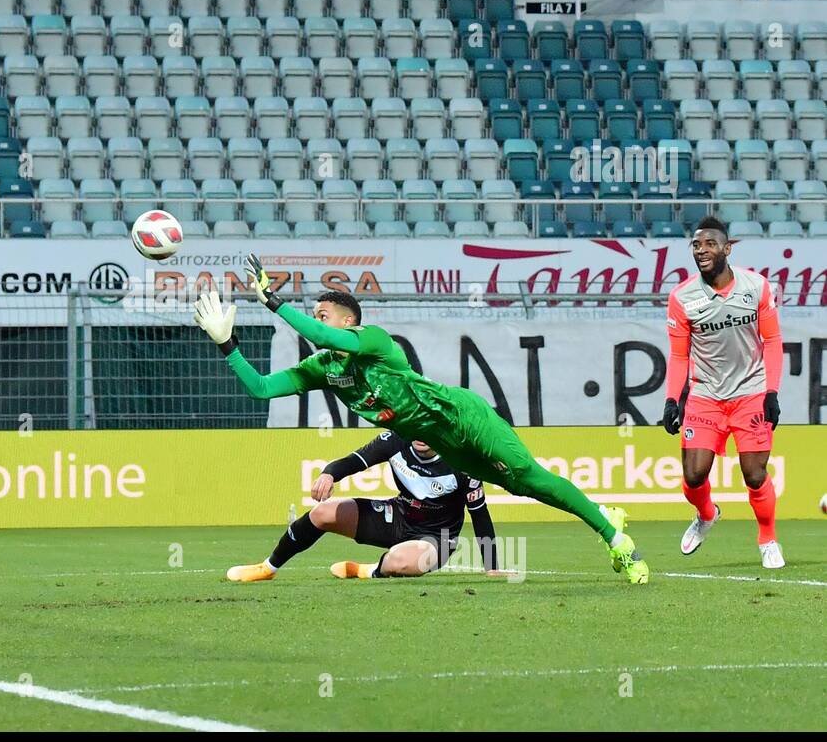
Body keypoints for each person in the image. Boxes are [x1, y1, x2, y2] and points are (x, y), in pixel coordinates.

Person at [193, 257, 649, 583]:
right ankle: (272, 568)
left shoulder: (372, 340)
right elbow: (261, 388)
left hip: (463, 415)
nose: (318, 321)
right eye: (315, 315)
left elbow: (316, 333)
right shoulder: (323, 370)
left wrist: (275, 303)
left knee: (527, 478)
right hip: (444, 442)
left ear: (349, 321)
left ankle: (614, 538)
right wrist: (226, 344)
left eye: (325, 313)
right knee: (518, 485)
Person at [662, 216, 784, 568]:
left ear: (727, 249)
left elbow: (772, 340)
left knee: (755, 474)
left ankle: (768, 539)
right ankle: (707, 514)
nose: (702, 251)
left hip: (751, 392)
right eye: (696, 245)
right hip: (705, 396)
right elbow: (679, 354)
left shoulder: (756, 287)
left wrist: (771, 392)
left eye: (710, 244)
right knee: (693, 476)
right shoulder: (682, 297)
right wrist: (672, 399)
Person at [226, 430, 502, 582]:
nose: (422, 432)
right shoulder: (395, 440)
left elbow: (480, 515)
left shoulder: (464, 462)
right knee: (323, 513)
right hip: (397, 516)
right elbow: (353, 461)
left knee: (398, 561)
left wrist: (492, 567)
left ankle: (366, 570)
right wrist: (329, 473)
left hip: (436, 539)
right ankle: (268, 568)